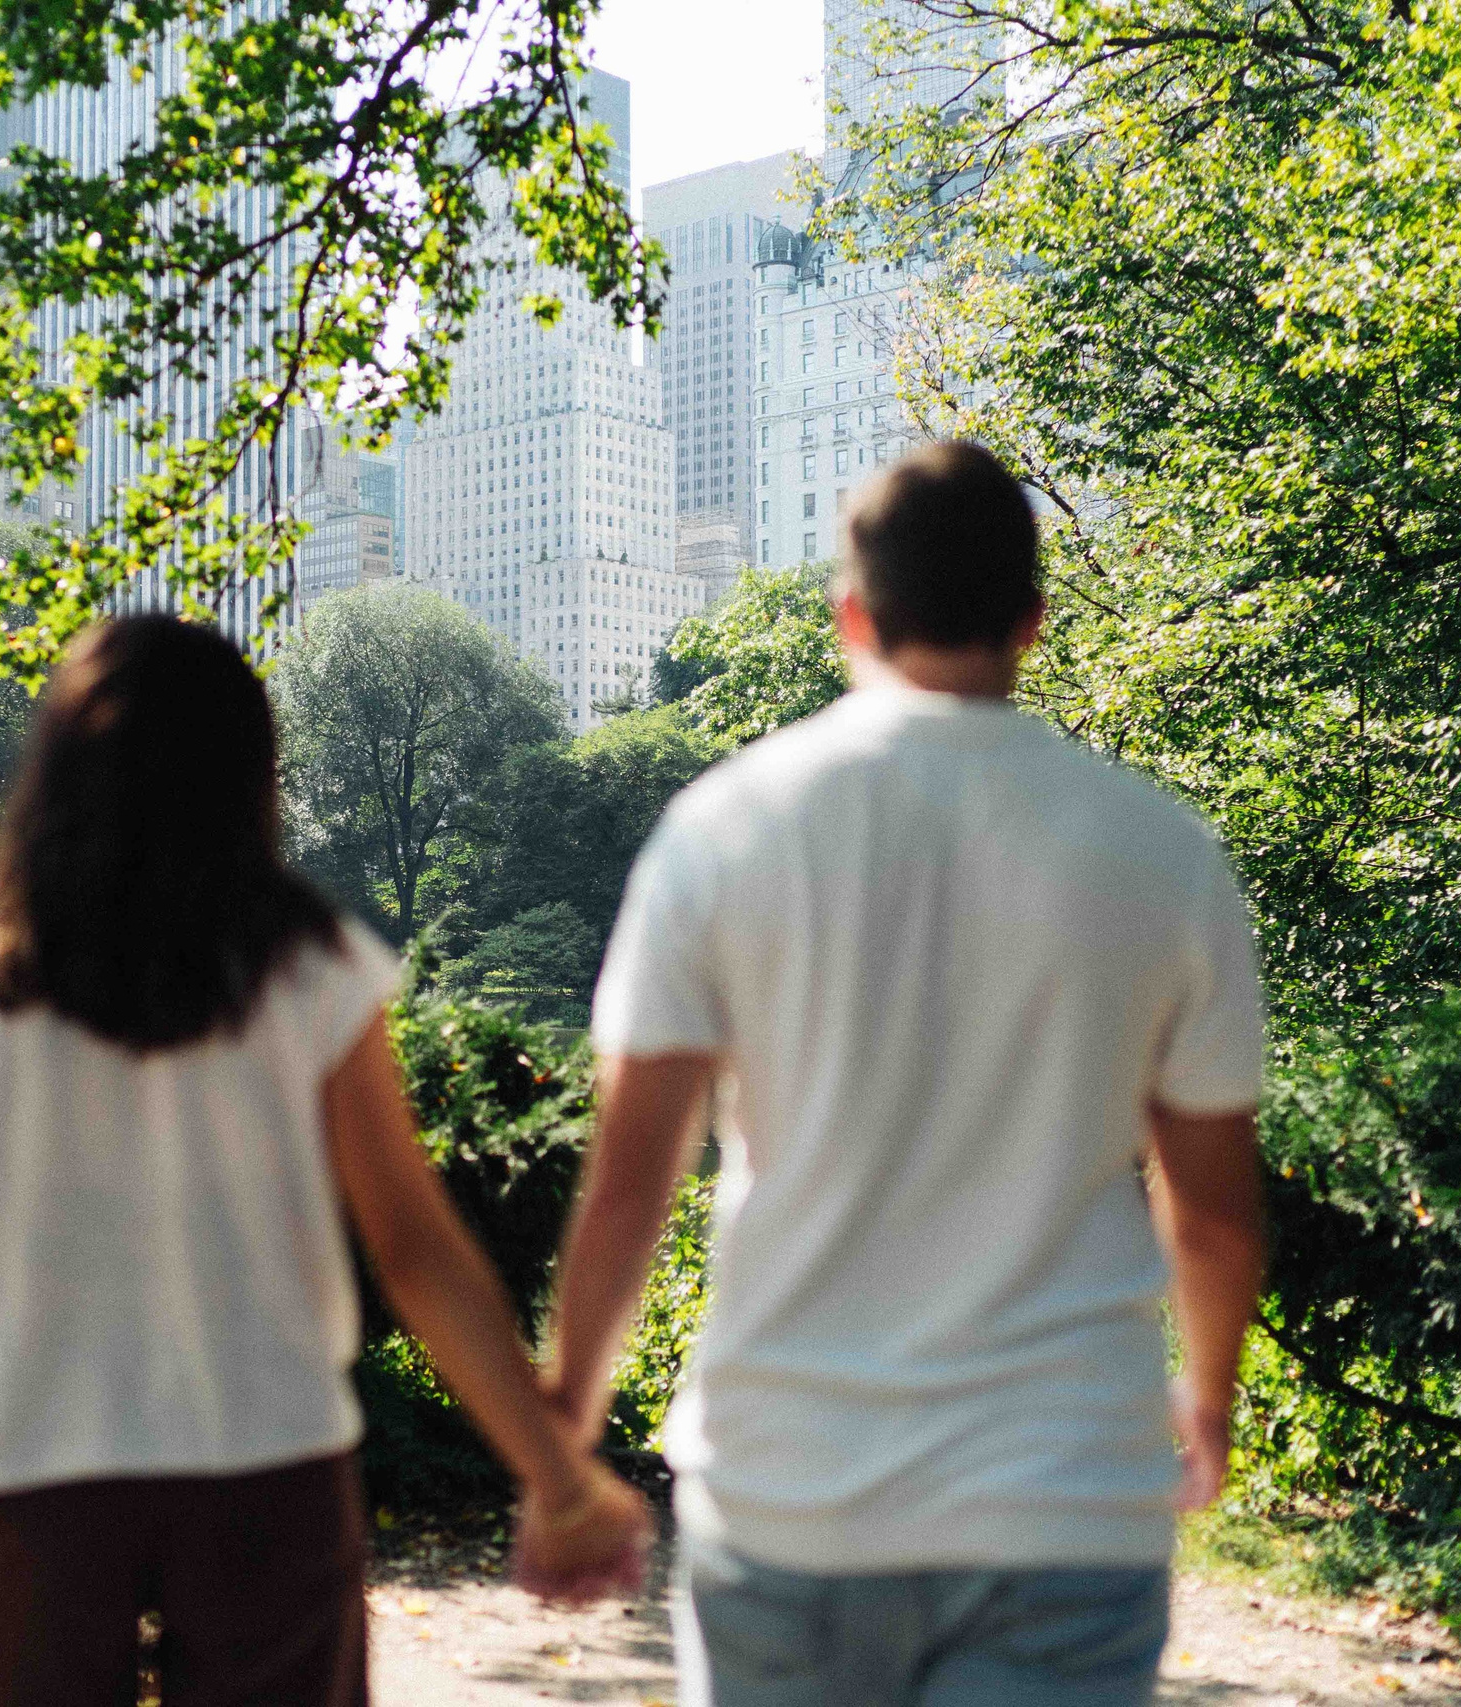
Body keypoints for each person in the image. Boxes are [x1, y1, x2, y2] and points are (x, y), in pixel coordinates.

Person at [539, 441, 1268, 1706]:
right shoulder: (1160, 850)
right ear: (1033, 621)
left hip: (790, 1494)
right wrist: (1205, 1403)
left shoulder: (723, 830)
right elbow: (1210, 1211)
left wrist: (562, 1442)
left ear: (851, 615)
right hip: (1066, 1497)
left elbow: (626, 1191)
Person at [0, 615, 649, 1707]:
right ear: (249, 772)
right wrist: (554, 1476)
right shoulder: (305, 966)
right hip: (266, 1471)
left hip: (30, 1481)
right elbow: (411, 1248)